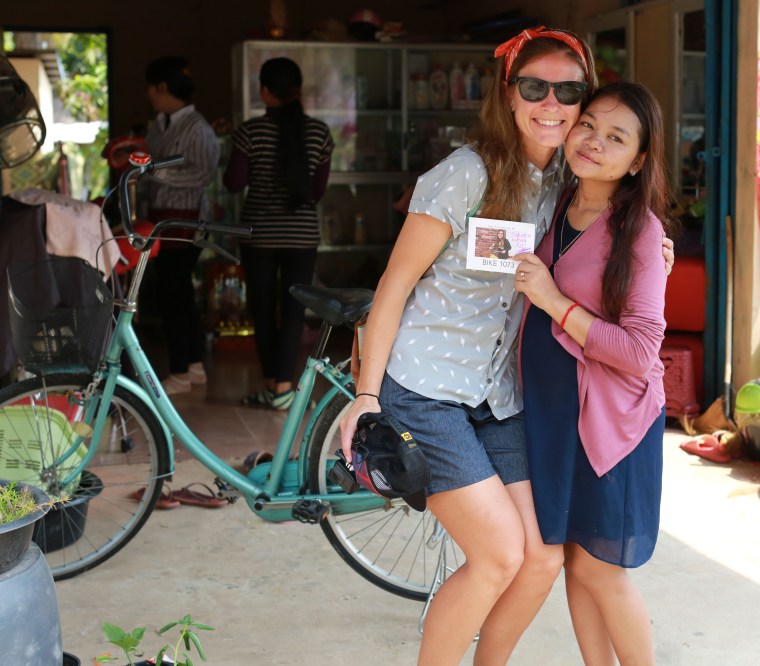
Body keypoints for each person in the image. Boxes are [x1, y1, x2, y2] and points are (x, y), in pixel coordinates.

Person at [339, 27, 600, 665]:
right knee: (498, 555)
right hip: (425, 390)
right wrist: (366, 396)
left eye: (569, 91)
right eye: (535, 87)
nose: (551, 104)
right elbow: (394, 287)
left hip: (497, 394)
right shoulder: (465, 174)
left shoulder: (569, 183)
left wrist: (656, 251)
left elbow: (616, 234)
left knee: (542, 556)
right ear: (509, 95)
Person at [512, 82, 672, 666]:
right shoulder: (558, 203)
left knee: (601, 570)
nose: (594, 142)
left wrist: (554, 302)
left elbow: (639, 352)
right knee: (578, 563)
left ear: (639, 160)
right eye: (589, 125)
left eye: (616, 137)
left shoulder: (641, 232)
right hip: (557, 418)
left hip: (611, 423)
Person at [223, 57, 333, 410]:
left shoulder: (250, 132)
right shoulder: (319, 133)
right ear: (297, 90)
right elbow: (316, 192)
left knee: (263, 310)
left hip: (259, 235)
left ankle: (274, 386)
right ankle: (283, 388)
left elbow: (234, 182)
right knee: (294, 312)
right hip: (302, 236)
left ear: (265, 92)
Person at [144, 56, 219, 395]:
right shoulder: (157, 125)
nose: (148, 94)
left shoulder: (197, 127)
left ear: (162, 87)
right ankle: (193, 364)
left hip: (187, 220)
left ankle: (180, 370)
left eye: (151, 87)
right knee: (177, 293)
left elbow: (202, 174)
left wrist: (155, 171)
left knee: (174, 293)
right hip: (161, 219)